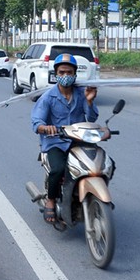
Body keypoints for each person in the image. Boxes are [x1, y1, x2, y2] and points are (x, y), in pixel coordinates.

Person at [31, 54, 99, 223]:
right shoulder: (47, 97)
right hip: (55, 142)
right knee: (58, 169)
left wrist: (90, 102)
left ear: (75, 74)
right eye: (61, 72)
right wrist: (45, 128)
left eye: (69, 72)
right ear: (56, 74)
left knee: (101, 164)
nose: (65, 76)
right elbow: (36, 122)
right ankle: (51, 200)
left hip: (78, 140)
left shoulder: (82, 94)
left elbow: (91, 119)